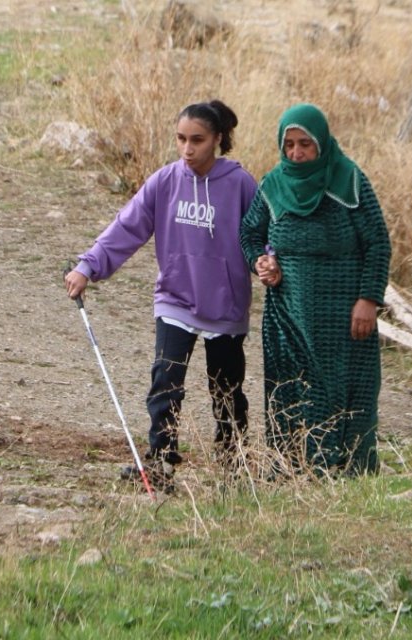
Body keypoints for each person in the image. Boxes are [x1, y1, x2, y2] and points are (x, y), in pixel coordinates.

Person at [65, 100, 257, 491]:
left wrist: (269, 262)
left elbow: (260, 238)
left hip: (225, 306)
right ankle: (160, 463)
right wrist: (88, 266)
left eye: (197, 140)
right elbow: (127, 226)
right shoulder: (165, 181)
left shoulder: (241, 185)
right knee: (165, 384)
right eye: (181, 139)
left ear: (217, 139)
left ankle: (234, 464)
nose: (187, 149)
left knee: (226, 391)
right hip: (176, 298)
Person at [240, 103, 391, 476]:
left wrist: (368, 299)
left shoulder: (349, 180)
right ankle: (293, 469)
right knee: (291, 389)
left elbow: (377, 242)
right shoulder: (273, 184)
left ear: (321, 142)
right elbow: (249, 233)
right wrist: (261, 262)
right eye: (289, 144)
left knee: (345, 387)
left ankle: (347, 468)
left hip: (344, 316)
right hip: (287, 315)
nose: (296, 153)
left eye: (305, 144)